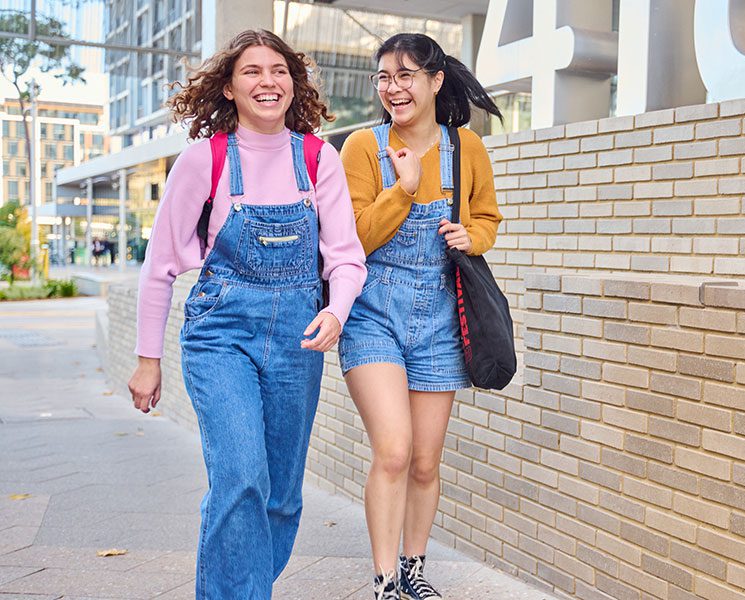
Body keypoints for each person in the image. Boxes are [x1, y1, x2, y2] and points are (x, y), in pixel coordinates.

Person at [125, 29, 366, 598]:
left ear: (293, 83)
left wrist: (337, 310)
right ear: (229, 88)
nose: (267, 81)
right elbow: (159, 264)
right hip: (220, 335)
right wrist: (147, 360)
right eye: (252, 71)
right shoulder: (202, 159)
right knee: (239, 478)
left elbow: (348, 259)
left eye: (278, 70)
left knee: (281, 494)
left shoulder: (317, 156)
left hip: (298, 339)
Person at [338, 33, 502, 600]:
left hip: (439, 317)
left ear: (435, 81)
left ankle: (413, 570)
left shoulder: (467, 150)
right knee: (394, 450)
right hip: (373, 313)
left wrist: (471, 234)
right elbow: (354, 238)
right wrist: (403, 190)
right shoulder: (363, 147)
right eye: (384, 76)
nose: (393, 87)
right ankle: (384, 582)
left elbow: (487, 219)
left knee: (426, 463)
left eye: (406, 75)